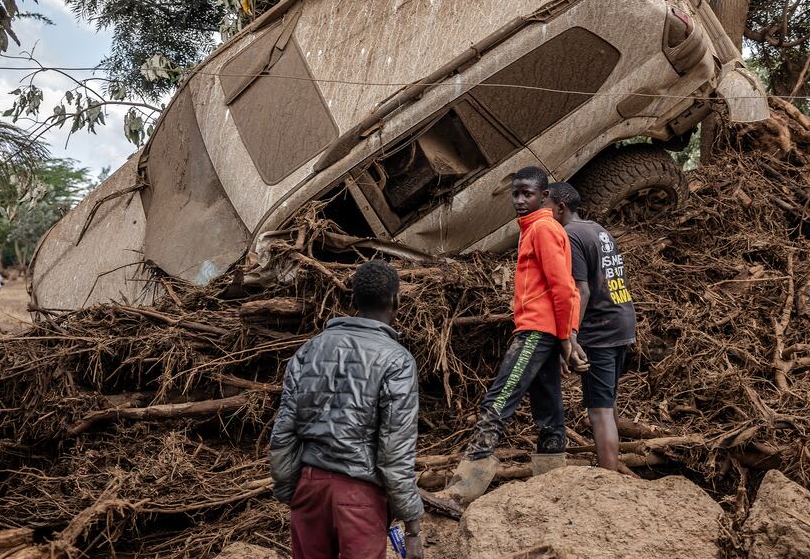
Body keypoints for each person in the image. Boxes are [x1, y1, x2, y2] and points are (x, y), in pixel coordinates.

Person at [440, 166, 581, 505]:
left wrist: (566, 337)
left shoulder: (543, 229)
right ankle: (552, 484)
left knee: (498, 401)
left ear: (544, 196)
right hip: (544, 329)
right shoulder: (535, 228)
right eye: (515, 193)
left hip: (537, 330)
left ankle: (463, 491)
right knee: (548, 408)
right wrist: (566, 335)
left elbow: (563, 287)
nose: (519, 200)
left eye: (527, 194)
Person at [270, 260, 424, 559]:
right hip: (360, 496)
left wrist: (292, 491)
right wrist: (413, 525)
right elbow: (395, 450)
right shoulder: (397, 360)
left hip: (309, 488)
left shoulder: (310, 350)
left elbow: (284, 431)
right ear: (396, 300)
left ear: (352, 300)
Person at [547, 182, 637, 475]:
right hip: (621, 318)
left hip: (601, 327)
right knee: (607, 402)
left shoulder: (569, 234)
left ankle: (608, 481)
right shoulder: (597, 228)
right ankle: (613, 464)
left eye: (546, 206)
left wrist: (570, 337)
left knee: (598, 410)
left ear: (560, 208)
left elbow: (581, 291)